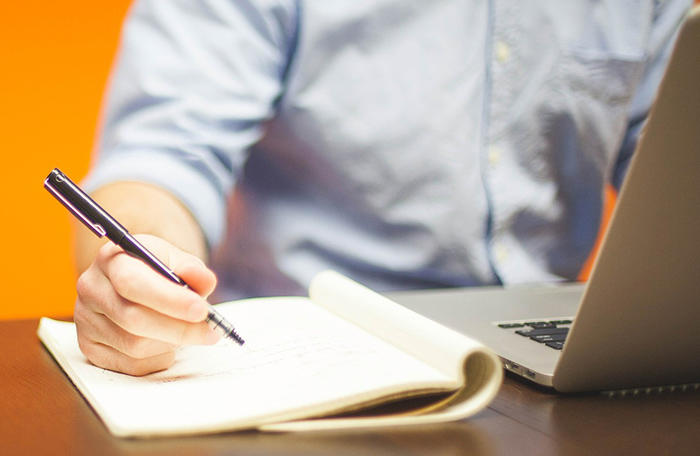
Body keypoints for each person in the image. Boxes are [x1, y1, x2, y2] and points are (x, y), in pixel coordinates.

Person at [71, 0, 692, 376]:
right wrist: (143, 272)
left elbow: (673, 164)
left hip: (563, 361)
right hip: (310, 364)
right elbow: (164, 154)